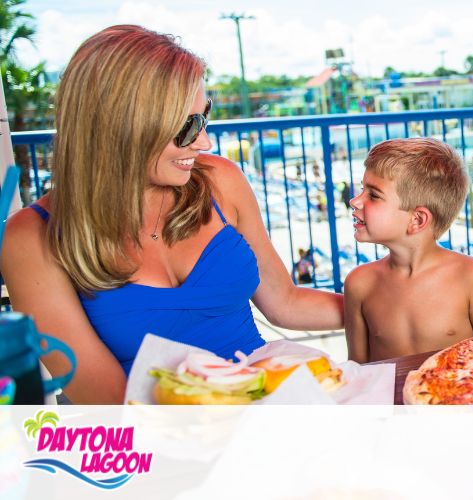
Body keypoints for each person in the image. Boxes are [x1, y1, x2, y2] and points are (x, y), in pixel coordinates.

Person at [0, 25, 345, 404]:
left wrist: (386, 300)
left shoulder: (220, 181)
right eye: (186, 127)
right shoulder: (31, 237)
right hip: (156, 443)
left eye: (203, 118)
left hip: (269, 408)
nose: (204, 142)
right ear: (120, 128)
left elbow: (285, 303)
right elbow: (110, 402)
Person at [343, 138, 473, 362]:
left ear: (418, 219)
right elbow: (358, 373)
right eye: (363, 190)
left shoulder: (472, 277)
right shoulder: (359, 283)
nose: (355, 201)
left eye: (373, 195)